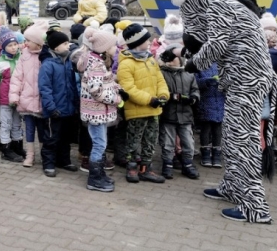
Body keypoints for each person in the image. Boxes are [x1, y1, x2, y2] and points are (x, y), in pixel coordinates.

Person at [171, 0, 275, 223]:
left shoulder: (220, 6)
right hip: (243, 82)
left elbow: (216, 45)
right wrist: (183, 52)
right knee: (231, 138)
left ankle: (254, 206)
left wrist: (192, 65)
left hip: (248, 83)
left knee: (243, 141)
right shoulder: (228, 6)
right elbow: (218, 42)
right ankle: (232, 186)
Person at [116, 23, 168, 185]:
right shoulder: (126, 63)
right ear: (138, 42)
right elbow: (128, 88)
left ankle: (146, 169)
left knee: (150, 141)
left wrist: (163, 95)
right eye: (147, 39)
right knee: (133, 141)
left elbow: (159, 79)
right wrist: (149, 99)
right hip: (138, 111)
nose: (150, 41)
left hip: (154, 110)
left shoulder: (151, 60)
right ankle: (132, 168)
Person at [79, 28, 124, 192]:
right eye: (113, 46)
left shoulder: (93, 61)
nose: (116, 49)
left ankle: (99, 174)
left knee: (100, 143)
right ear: (104, 48)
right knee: (99, 145)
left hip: (95, 112)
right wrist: (116, 98)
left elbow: (101, 84)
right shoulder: (97, 65)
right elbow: (96, 90)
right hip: (96, 112)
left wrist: (114, 85)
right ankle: (94, 179)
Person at [38, 30, 80, 177]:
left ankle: (64, 160)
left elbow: (72, 85)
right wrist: (51, 108)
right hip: (54, 110)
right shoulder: (48, 65)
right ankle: (48, 163)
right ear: (55, 47)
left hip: (68, 109)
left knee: (65, 137)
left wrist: (75, 103)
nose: (68, 46)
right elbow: (45, 88)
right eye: (64, 43)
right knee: (51, 137)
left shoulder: (68, 62)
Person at [158, 46, 200, 180]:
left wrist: (193, 98)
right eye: (168, 58)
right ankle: (167, 164)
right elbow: (159, 90)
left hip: (186, 115)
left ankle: (187, 165)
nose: (170, 60)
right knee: (168, 142)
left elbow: (195, 90)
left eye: (173, 57)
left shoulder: (188, 74)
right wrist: (170, 96)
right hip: (168, 114)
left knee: (188, 142)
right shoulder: (162, 73)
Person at [8, 24, 45, 167]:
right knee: (29, 129)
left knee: (42, 130)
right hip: (27, 99)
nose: (25, 43)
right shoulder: (24, 55)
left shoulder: (46, 55)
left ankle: (43, 154)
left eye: (28, 40)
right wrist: (14, 95)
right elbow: (17, 77)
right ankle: (30, 155)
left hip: (42, 101)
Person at [0, 29, 24, 163]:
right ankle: (6, 148)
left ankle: (17, 145)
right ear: (4, 47)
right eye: (9, 45)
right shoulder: (0, 62)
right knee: (6, 123)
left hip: (18, 97)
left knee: (17, 123)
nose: (13, 48)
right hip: (5, 99)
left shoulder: (22, 58)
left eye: (15, 44)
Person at [195, 63, 225, 168]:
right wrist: (208, 81)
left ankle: (216, 154)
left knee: (217, 128)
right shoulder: (200, 65)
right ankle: (205, 154)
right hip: (205, 100)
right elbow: (195, 82)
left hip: (220, 101)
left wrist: (224, 82)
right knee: (206, 128)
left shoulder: (221, 65)